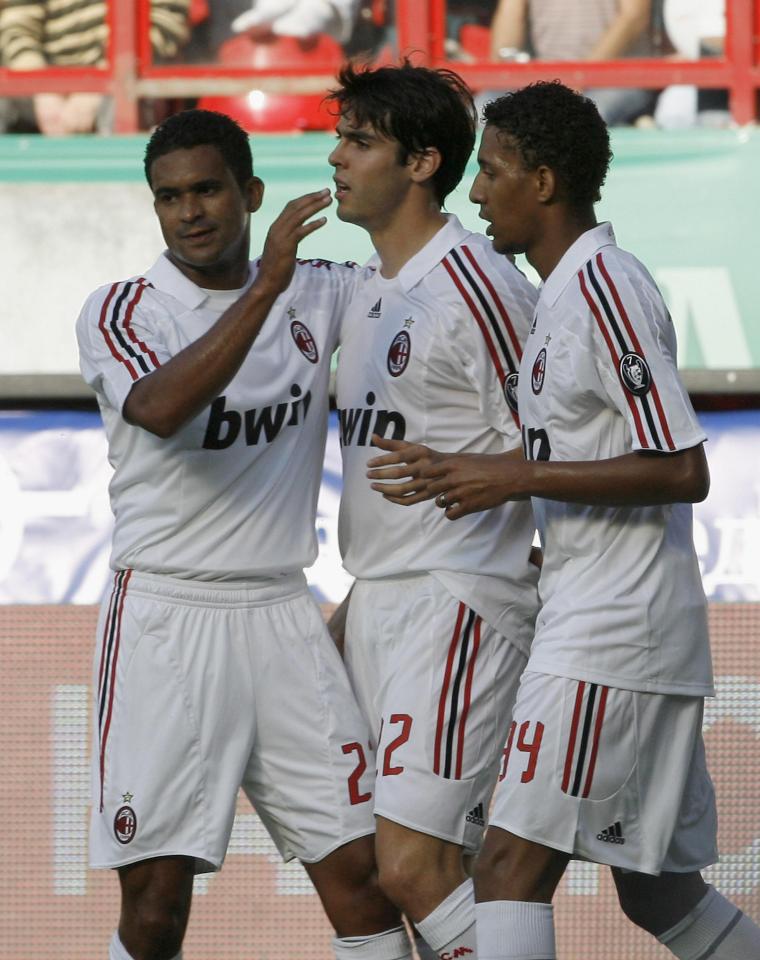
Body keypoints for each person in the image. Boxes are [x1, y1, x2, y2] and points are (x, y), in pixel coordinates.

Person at [365, 80, 760, 960]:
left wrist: (511, 475)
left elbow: (682, 465)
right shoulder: (556, 299)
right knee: (660, 897)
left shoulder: (606, 285)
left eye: (493, 172)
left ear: (542, 182)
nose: (476, 192)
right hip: (600, 617)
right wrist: (538, 520)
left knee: (506, 870)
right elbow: (602, 460)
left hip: (616, 635)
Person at [76, 108, 408, 960]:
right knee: (156, 911)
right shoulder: (123, 310)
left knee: (369, 883)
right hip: (166, 620)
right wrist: (265, 287)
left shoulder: (322, 287)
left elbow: (424, 286)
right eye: (169, 197)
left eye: (208, 189)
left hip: (282, 617)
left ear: (249, 192)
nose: (190, 211)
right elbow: (157, 408)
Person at [325, 62, 540, 960]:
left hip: (460, 596)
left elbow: (565, 441)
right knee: (380, 870)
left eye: (359, 141)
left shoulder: (483, 286)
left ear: (422, 162)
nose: (334, 157)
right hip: (380, 597)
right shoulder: (364, 288)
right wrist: (354, 605)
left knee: (414, 866)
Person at [0, 0, 190, 134]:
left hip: (121, 81)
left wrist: (95, 88)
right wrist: (42, 89)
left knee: (121, 112)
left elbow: (165, 24)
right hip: (46, 87)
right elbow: (16, 28)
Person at [488, 0, 657, 125]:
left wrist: (579, 78)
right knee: (485, 111)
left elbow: (634, 17)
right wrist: (502, 70)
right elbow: (510, 16)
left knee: (580, 119)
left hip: (617, 78)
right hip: (548, 79)